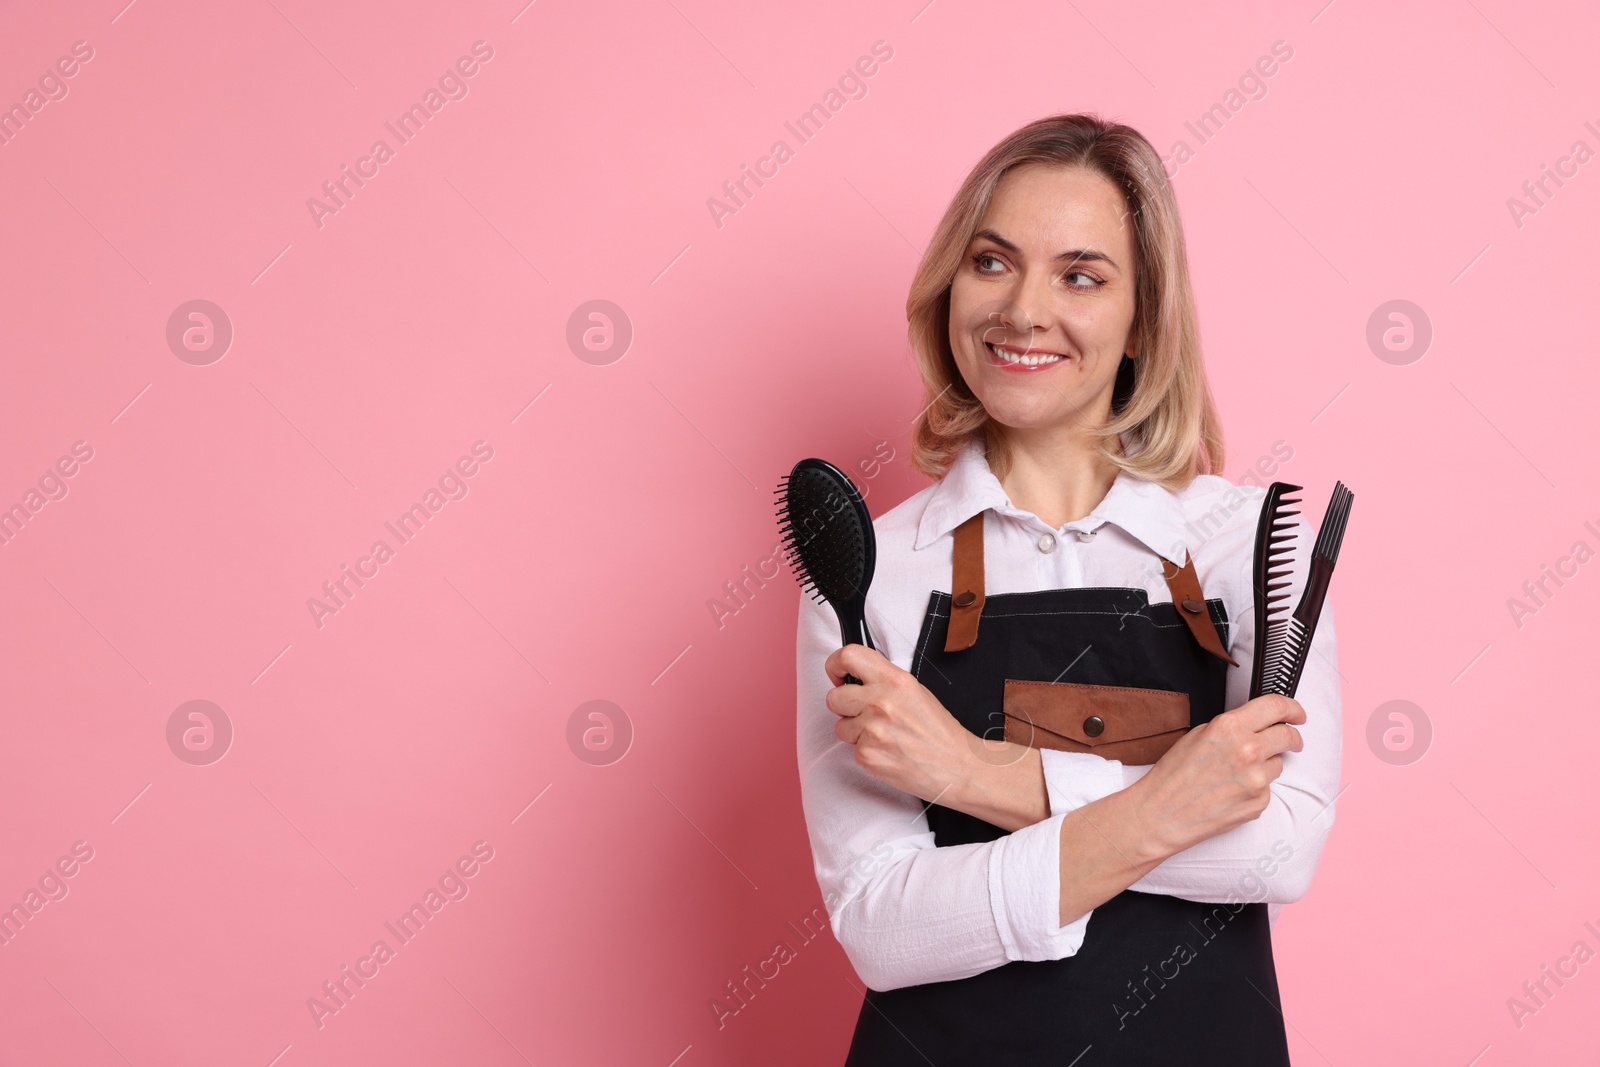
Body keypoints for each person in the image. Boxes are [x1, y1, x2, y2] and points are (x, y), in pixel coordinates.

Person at [794, 112, 1342, 1065]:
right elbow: (883, 926)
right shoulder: (869, 571)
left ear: (1144, 318)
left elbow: (1278, 847)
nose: (1021, 310)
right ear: (949, 287)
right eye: (992, 261)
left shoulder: (1246, 545)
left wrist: (972, 771)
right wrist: (1167, 809)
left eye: (1080, 276)